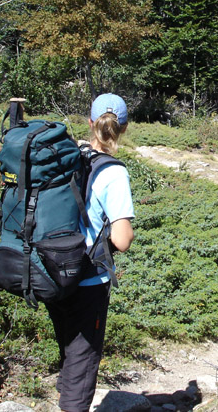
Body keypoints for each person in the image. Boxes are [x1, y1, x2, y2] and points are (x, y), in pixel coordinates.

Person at [45, 93, 135, 412]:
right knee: (82, 364)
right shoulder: (114, 172)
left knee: (69, 350)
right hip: (88, 281)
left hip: (54, 272)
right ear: (123, 128)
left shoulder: (69, 158)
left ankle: (64, 397)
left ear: (89, 123)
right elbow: (123, 239)